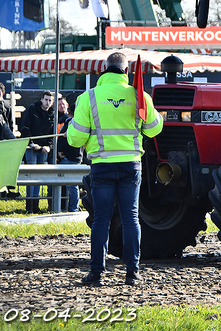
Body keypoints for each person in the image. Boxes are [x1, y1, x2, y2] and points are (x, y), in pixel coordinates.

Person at [68, 52, 163, 286]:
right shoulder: (139, 96)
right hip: (131, 165)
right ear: (127, 71)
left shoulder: (89, 97)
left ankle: (97, 273)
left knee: (101, 219)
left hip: (102, 167)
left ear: (104, 69)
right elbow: (154, 129)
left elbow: (75, 139)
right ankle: (133, 273)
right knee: (131, 218)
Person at [20, 90, 54, 214]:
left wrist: (49, 146)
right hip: (32, 147)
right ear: (41, 99)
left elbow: (53, 133)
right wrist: (32, 143)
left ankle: (36, 204)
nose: (48, 102)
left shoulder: (52, 113)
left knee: (38, 176)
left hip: (44, 149)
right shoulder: (32, 109)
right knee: (31, 176)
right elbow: (25, 126)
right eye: (46, 99)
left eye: (50, 100)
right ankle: (29, 205)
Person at [57, 101, 82, 212]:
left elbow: (66, 141)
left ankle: (73, 208)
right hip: (75, 157)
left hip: (69, 157)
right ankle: (72, 207)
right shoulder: (80, 123)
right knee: (72, 185)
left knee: (71, 185)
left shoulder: (71, 123)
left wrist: (61, 151)